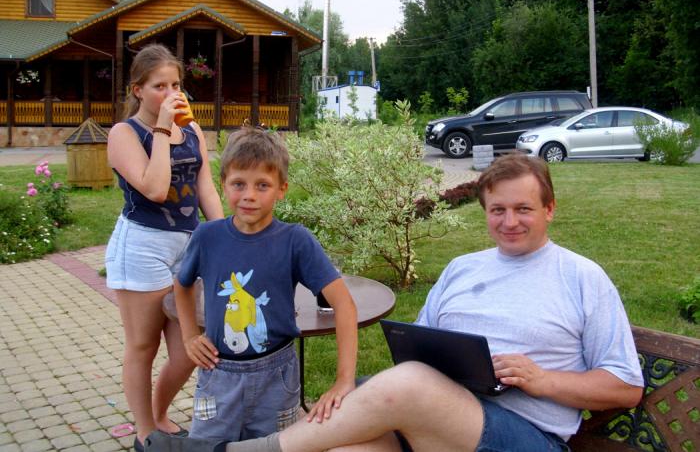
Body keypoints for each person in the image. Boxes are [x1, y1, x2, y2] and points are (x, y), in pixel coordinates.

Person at [146, 152, 644, 452]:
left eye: (523, 209)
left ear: (549, 209)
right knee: (342, 445)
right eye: (498, 209)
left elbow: (626, 388)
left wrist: (542, 379)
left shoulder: (582, 278)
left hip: (524, 434)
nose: (509, 221)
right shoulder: (463, 268)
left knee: (406, 384)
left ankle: (235, 451)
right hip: (433, 421)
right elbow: (420, 347)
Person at [171, 126, 358, 443]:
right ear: (223, 183)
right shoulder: (206, 237)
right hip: (218, 375)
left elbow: (344, 305)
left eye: (262, 185)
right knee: (205, 448)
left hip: (277, 378)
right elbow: (182, 284)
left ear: (281, 189)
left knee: (275, 447)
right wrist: (189, 335)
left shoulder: (296, 240)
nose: (249, 195)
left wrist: (344, 379)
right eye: (239, 184)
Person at [105, 43, 224, 451]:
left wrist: (222, 237)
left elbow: (206, 187)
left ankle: (158, 413)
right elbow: (155, 189)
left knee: (190, 349)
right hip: (143, 246)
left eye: (176, 85)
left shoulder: (192, 130)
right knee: (144, 344)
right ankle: (145, 431)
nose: (171, 94)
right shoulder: (124, 134)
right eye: (160, 86)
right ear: (138, 90)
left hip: (188, 247)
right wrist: (161, 129)